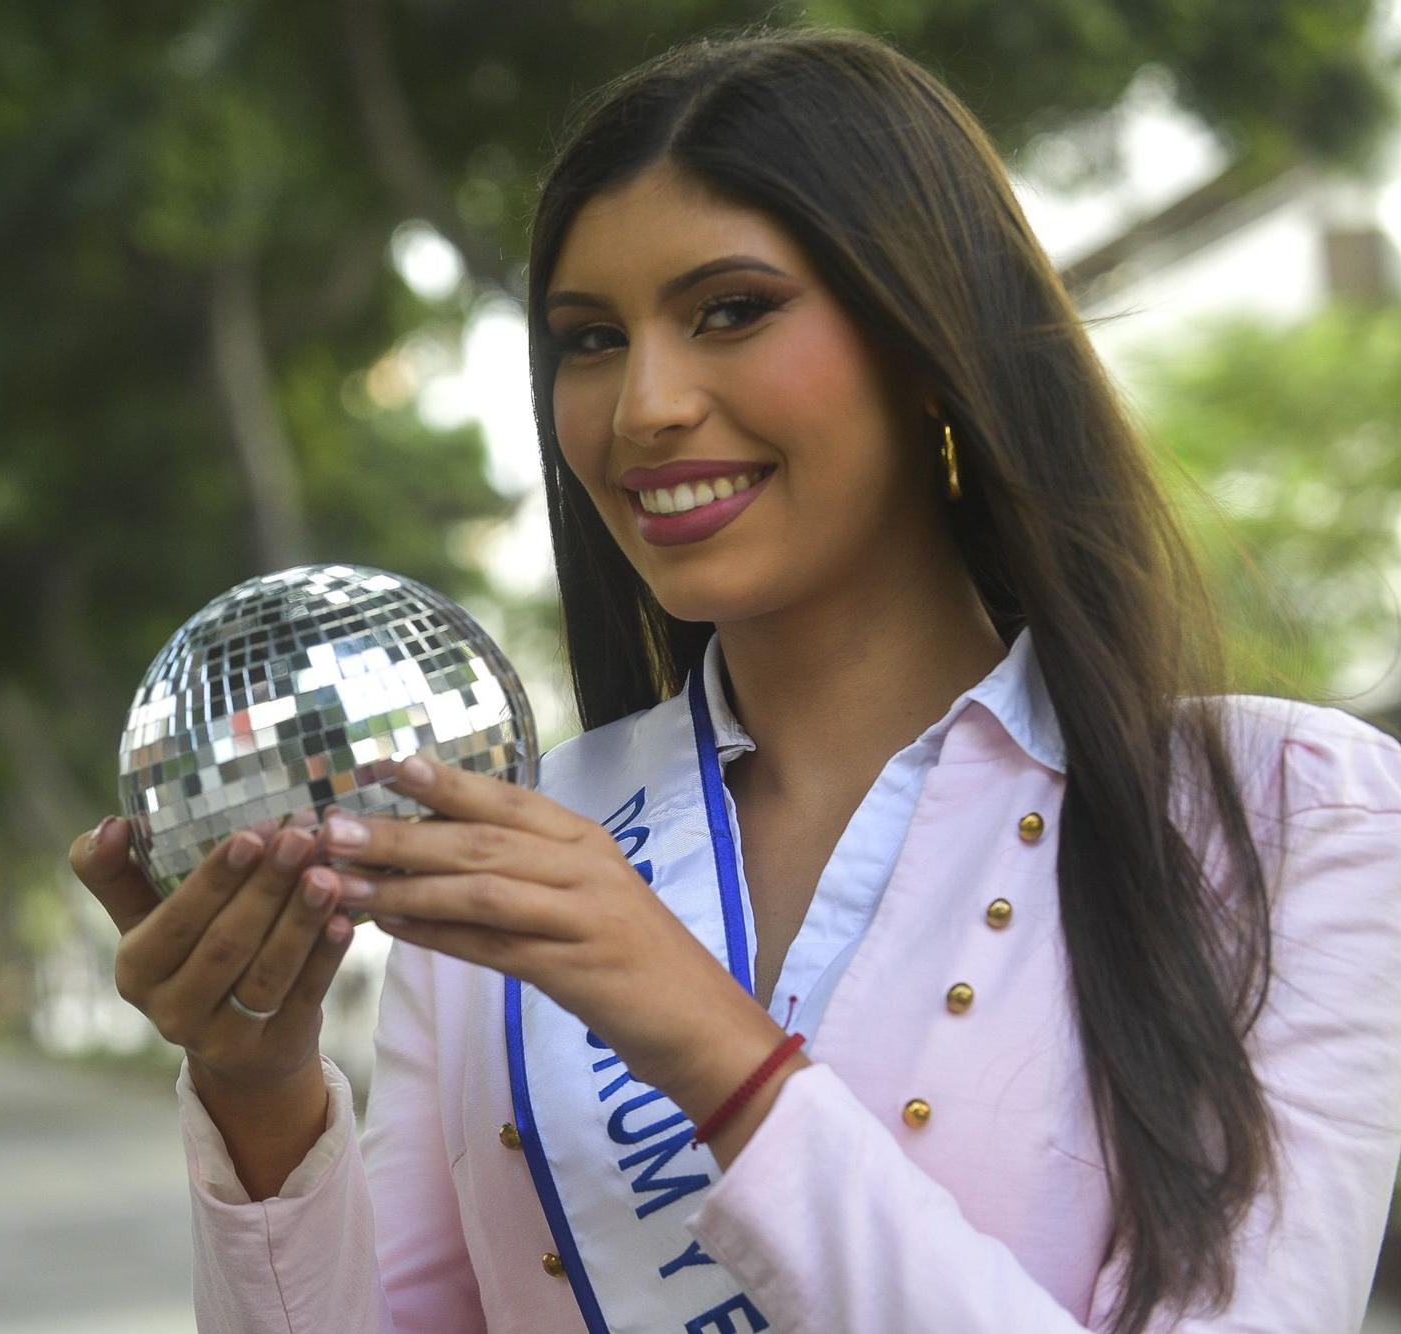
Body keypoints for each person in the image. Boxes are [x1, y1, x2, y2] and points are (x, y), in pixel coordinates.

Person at [71, 27, 1401, 1334]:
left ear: (933, 340)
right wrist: (258, 1088)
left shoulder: (1290, 819)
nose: (643, 403)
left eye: (733, 310)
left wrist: (722, 1056)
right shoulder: (506, 842)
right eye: (588, 339)